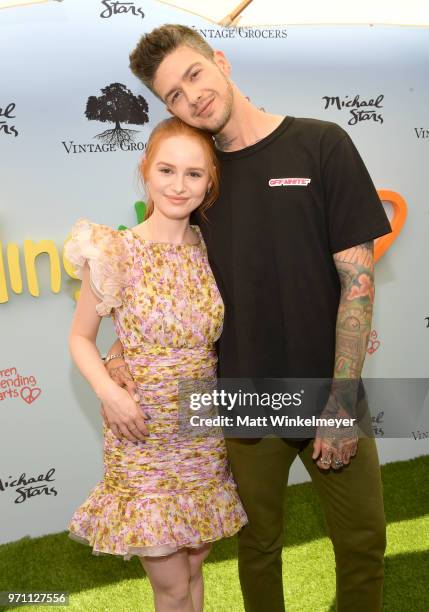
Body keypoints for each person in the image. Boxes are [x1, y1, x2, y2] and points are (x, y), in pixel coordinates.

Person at [104, 24, 392, 611]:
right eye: (173, 98)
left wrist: (340, 399)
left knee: (363, 541)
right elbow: (158, 275)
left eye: (193, 75)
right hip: (237, 396)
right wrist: (116, 351)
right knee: (257, 545)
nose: (191, 98)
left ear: (221, 61)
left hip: (327, 388)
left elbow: (357, 286)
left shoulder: (321, 144)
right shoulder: (198, 181)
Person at [64, 116, 248, 612]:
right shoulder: (114, 251)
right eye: (167, 170)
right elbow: (81, 338)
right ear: (145, 169)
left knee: (192, 566)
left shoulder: (212, 250)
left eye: (193, 174)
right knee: (169, 584)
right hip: (141, 432)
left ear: (210, 183)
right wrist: (111, 391)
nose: (178, 185)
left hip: (201, 430)